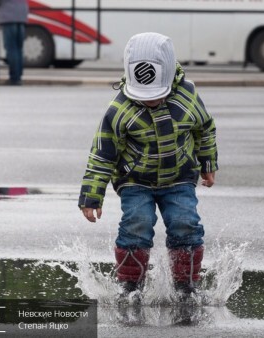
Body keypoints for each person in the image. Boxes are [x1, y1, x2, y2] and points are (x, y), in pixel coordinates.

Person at [78, 32, 218, 301]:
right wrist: (91, 196)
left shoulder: (187, 96)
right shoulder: (119, 110)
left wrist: (207, 162)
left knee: (185, 224)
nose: (149, 100)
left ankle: (186, 285)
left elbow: (205, 129)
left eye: (156, 94)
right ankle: (130, 286)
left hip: (179, 179)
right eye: (143, 96)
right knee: (136, 224)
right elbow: (102, 154)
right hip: (135, 182)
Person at [0, 0, 29, 86]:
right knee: (19, 48)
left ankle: (14, 78)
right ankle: (18, 76)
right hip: (21, 16)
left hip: (8, 16)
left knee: (11, 48)